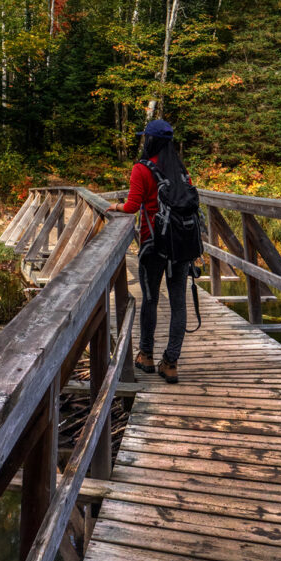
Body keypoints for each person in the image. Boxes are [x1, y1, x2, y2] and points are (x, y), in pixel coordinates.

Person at [110, 118, 192, 383]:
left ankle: (145, 355)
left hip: (153, 244)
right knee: (179, 302)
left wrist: (116, 208)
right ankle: (170, 362)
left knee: (150, 299)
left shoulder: (141, 168)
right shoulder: (180, 170)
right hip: (180, 246)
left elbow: (133, 205)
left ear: (150, 140)